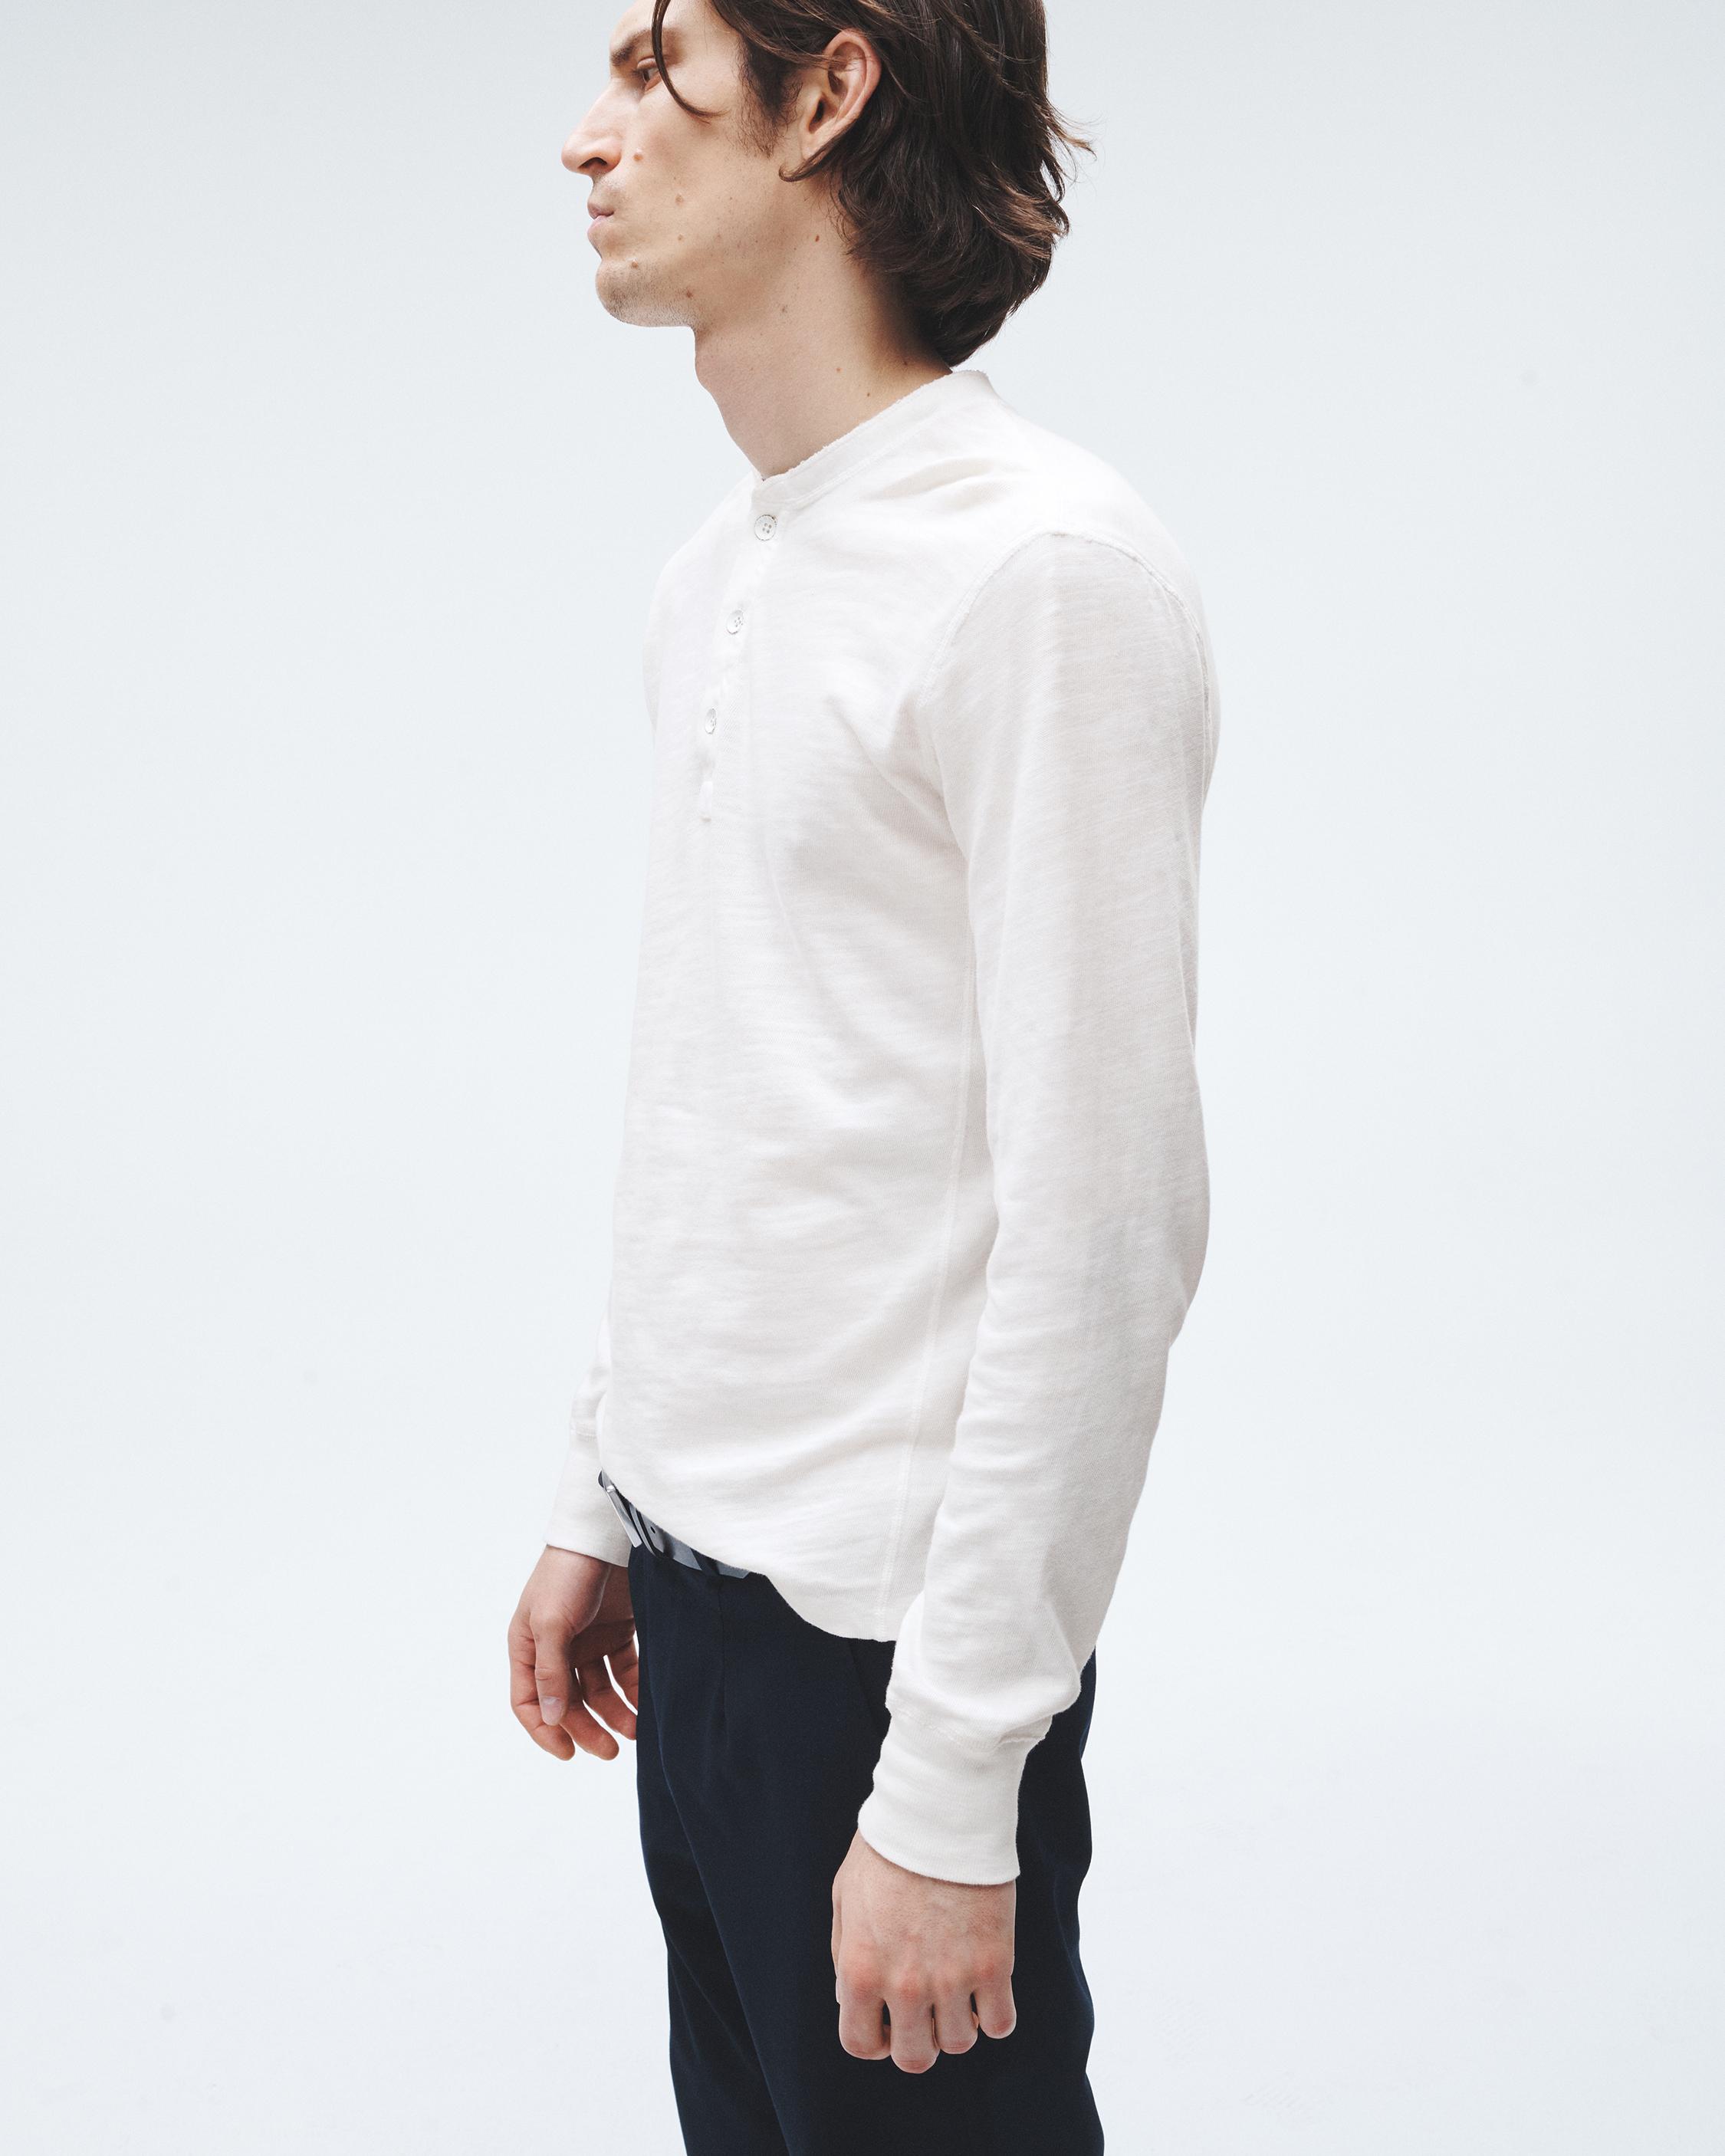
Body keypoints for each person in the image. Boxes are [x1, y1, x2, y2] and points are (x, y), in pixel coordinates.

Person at [506, 2, 1219, 2148]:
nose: (586, 138)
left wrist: (950, 1779)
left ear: (829, 95)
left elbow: (1103, 1230)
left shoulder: (1041, 575)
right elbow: (729, 1093)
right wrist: (606, 1489)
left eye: (654, 69)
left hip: (885, 1664)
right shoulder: (717, 572)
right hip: (699, 1618)